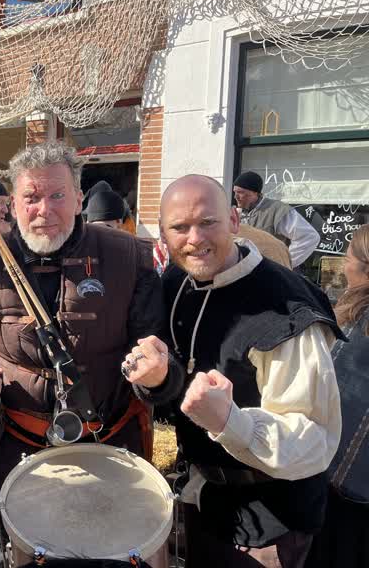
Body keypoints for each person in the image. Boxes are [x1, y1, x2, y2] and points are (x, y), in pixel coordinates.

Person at [0, 142, 169, 568]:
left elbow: (155, 349)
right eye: (31, 197)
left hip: (106, 449)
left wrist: (155, 373)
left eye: (57, 195)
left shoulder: (128, 257)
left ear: (79, 198)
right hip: (13, 448)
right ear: (12, 204)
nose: (44, 209)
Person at [131, 174, 342, 568]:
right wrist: (159, 381)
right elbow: (180, 385)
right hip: (204, 502)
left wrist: (231, 421)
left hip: (270, 522)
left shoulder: (286, 308)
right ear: (162, 233)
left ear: (233, 219)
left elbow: (315, 439)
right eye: (180, 227)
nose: (194, 238)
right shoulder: (176, 283)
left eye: (207, 222)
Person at [305, 224, 369, 568]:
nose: (344, 265)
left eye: (348, 257)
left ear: (364, 266)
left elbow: (334, 399)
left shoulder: (358, 323)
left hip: (345, 487)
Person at [232, 171, 319, 268]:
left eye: (241, 192)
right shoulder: (237, 212)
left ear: (255, 193)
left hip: (270, 273)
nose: (236, 197)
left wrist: (284, 263)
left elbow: (309, 237)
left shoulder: (277, 210)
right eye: (235, 192)